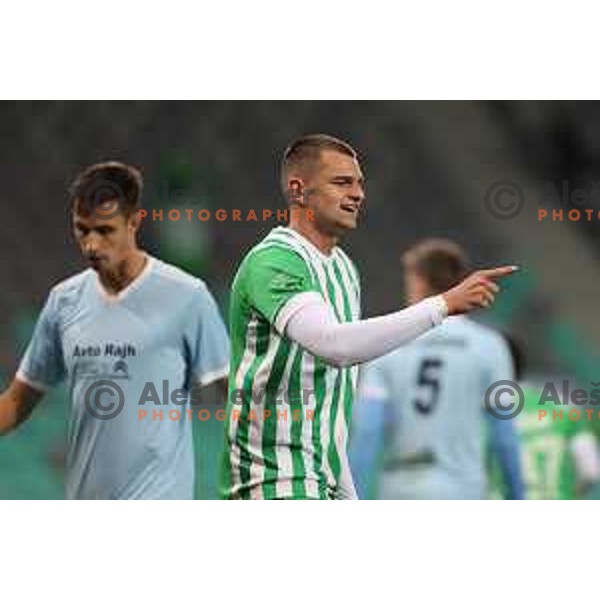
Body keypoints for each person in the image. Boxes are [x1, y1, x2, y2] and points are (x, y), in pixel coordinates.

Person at [221, 134, 516, 500]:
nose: (358, 194)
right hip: (272, 477)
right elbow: (334, 346)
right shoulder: (274, 261)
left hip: (325, 476)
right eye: (342, 182)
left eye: (360, 183)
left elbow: (332, 405)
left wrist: (347, 492)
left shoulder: (344, 270)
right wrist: (442, 305)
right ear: (298, 191)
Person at [0, 161, 229, 499]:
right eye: (82, 230)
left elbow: (235, 396)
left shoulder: (187, 296)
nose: (92, 244)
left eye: (105, 231)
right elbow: (18, 401)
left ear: (134, 223)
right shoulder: (64, 302)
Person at [349, 239, 524, 499]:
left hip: (399, 490)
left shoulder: (386, 344)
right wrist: (517, 497)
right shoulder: (491, 347)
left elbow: (367, 431)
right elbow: (504, 434)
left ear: (418, 281)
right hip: (462, 490)